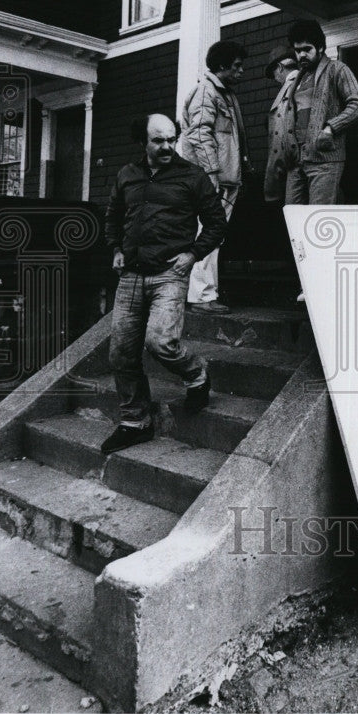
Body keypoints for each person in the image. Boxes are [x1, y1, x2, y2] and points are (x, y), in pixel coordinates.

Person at [103, 114, 227, 454]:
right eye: (159, 141)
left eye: (172, 139)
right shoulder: (127, 175)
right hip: (130, 274)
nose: (167, 147)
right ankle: (135, 422)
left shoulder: (192, 176)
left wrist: (193, 253)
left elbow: (216, 222)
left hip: (170, 273)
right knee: (121, 352)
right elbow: (113, 216)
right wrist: (115, 248)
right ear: (143, 142)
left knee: (161, 342)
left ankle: (196, 374)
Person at [180, 39, 251, 312]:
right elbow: (199, 134)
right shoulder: (206, 92)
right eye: (236, 66)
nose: (241, 71)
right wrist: (211, 173)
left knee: (212, 235)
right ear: (221, 66)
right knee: (208, 234)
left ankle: (202, 294)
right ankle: (201, 296)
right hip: (213, 179)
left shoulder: (224, 94)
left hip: (225, 178)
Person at [281, 19, 358, 206]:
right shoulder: (298, 79)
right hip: (297, 161)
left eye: (307, 49)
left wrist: (330, 128)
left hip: (324, 160)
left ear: (320, 48)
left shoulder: (337, 69)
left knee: (319, 220)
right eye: (297, 50)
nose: (302, 54)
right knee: (294, 218)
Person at [263, 45, 299, 204]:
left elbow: (280, 136)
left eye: (274, 75)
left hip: (293, 170)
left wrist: (274, 180)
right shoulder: (308, 80)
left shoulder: (290, 88)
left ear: (279, 68)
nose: (276, 80)